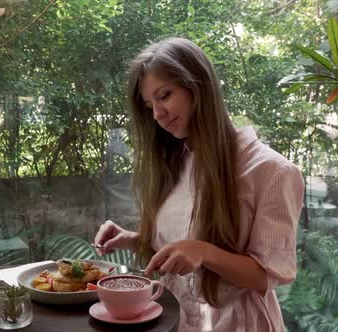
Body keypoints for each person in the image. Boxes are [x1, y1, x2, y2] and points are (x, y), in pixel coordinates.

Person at [94, 37, 304, 332]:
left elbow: (265, 276)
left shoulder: (271, 171)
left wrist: (203, 251)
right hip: (174, 319)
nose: (157, 114)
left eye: (164, 95)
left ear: (198, 86)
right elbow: (184, 245)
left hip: (238, 324)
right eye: (149, 105)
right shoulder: (175, 161)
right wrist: (134, 238)